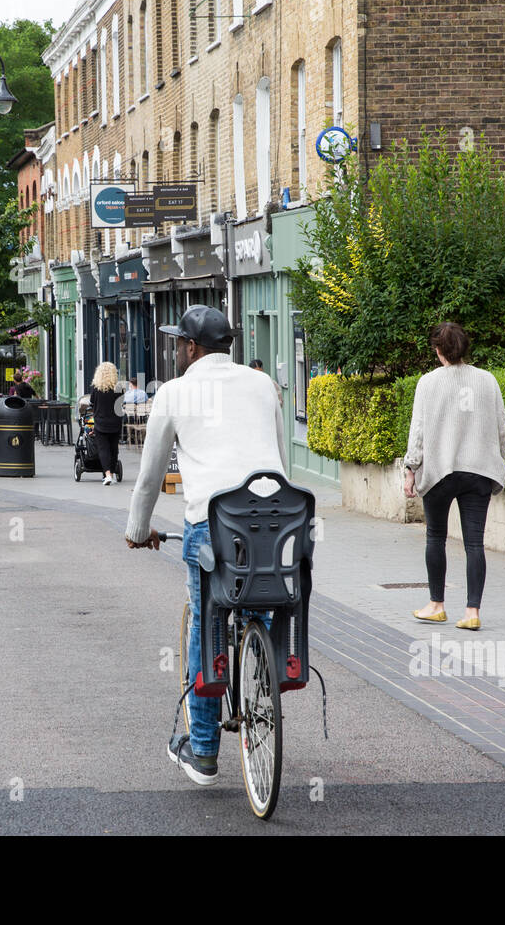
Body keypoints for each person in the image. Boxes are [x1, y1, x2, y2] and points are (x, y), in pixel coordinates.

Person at [125, 305, 287, 786]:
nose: (175, 350)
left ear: (191, 348)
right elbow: (278, 459)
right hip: (274, 521)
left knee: (206, 624)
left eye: (178, 343)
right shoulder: (263, 386)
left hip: (212, 527)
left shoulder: (174, 392)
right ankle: (261, 674)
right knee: (259, 604)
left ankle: (203, 753)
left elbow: (150, 477)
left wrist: (138, 531)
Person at [403, 322, 505, 632]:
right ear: (465, 348)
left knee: (435, 536)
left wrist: (410, 470)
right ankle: (472, 611)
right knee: (475, 544)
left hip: (440, 472)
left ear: (438, 351)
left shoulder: (428, 383)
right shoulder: (487, 381)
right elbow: (501, 428)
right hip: (478, 472)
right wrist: (498, 461)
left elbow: (418, 433)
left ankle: (436, 605)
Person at [88, 361, 122, 485]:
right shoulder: (118, 388)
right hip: (115, 423)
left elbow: (92, 403)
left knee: (103, 449)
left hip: (100, 423)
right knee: (114, 450)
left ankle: (107, 474)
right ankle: (112, 475)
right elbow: (120, 407)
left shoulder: (96, 389)